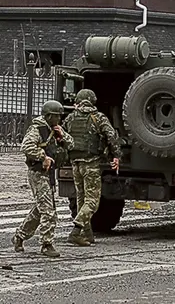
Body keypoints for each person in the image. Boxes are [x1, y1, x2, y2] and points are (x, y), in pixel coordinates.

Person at [13, 100, 74, 257]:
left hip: (49, 175)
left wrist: (62, 136)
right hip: (38, 173)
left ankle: (20, 236)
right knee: (48, 211)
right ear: (49, 116)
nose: (59, 119)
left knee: (40, 210)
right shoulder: (37, 129)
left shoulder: (54, 129)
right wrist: (43, 157)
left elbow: (72, 144)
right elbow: (26, 147)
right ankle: (46, 244)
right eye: (57, 116)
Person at [63, 88, 122, 247]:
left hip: (75, 164)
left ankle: (88, 235)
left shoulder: (70, 118)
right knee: (92, 201)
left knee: (81, 199)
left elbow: (61, 136)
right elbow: (112, 137)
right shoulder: (99, 118)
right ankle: (76, 231)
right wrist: (115, 156)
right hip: (91, 164)